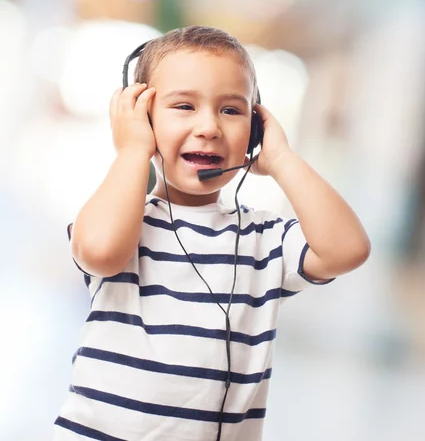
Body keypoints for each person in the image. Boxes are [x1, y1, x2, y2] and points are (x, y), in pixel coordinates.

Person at [53, 25, 370, 441]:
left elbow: (347, 249)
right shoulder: (124, 220)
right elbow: (99, 251)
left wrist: (281, 159)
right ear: (143, 117)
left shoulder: (264, 240)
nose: (209, 127)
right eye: (183, 106)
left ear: (255, 130)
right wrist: (133, 150)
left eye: (232, 110)